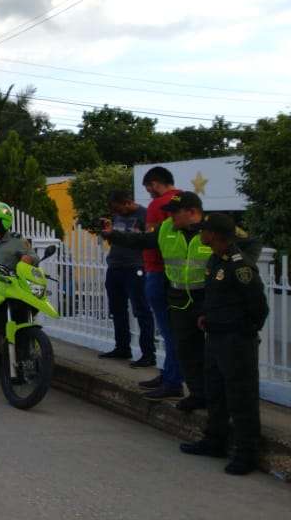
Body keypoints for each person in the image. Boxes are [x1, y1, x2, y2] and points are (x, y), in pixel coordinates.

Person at [104, 192, 220, 411]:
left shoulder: (212, 230)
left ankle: (211, 396)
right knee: (184, 348)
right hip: (178, 299)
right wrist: (114, 235)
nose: (170, 217)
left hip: (207, 300)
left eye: (175, 213)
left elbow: (244, 246)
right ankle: (196, 394)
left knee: (209, 351)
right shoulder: (167, 228)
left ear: (192, 212)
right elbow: (143, 240)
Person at [179, 214, 268, 475]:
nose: (199, 235)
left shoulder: (240, 266)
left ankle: (246, 453)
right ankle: (215, 440)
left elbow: (258, 307)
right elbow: (217, 297)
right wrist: (208, 316)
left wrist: (243, 332)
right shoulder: (216, 259)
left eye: (203, 231)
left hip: (236, 340)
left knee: (241, 397)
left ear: (215, 234)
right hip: (216, 337)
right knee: (215, 392)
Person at [135, 166, 185, 401]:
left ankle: (172, 380)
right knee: (173, 330)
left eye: (149, 188)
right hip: (179, 274)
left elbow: (151, 240)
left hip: (157, 270)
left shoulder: (158, 205)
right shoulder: (184, 199)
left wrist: (134, 237)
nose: (149, 194)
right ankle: (168, 374)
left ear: (155, 183)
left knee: (168, 331)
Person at [99, 190, 156, 366]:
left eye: (119, 209)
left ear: (127, 202)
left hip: (135, 267)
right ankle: (122, 347)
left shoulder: (144, 215)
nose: (117, 213)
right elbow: (116, 241)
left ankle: (148, 354)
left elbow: (147, 240)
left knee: (141, 310)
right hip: (115, 266)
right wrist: (108, 234)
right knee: (117, 309)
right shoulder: (117, 217)